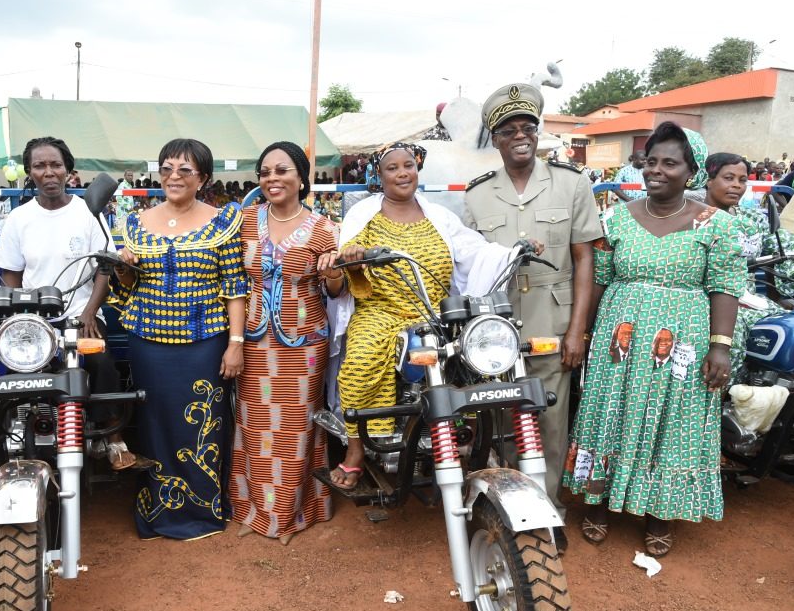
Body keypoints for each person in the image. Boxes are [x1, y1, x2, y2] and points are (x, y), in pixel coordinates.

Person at [563, 122, 746, 558]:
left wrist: (720, 346)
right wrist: (585, 332)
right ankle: (598, 499)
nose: (656, 170)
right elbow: (600, 281)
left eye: (670, 163)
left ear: (692, 171)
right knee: (610, 411)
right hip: (619, 341)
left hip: (682, 343)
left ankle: (659, 513)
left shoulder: (715, 225)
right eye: (650, 162)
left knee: (672, 420)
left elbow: (726, 285)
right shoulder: (617, 218)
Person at [325, 142, 526, 492]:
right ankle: (357, 450)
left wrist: (514, 252)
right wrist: (352, 256)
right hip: (380, 311)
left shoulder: (439, 216)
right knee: (359, 366)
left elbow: (474, 251)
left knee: (474, 365)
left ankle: (469, 447)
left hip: (432, 313)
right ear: (380, 175)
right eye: (392, 168)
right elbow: (342, 268)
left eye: (409, 166)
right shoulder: (364, 216)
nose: (402, 173)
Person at [463, 83, 603, 551]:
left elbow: (586, 259)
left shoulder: (571, 182)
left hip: (553, 317)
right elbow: (470, 262)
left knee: (549, 418)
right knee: (501, 417)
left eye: (528, 127)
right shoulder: (479, 195)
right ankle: (507, 509)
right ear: (495, 139)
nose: (520, 136)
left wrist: (578, 330)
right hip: (498, 322)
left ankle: (548, 513)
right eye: (508, 130)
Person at [111, 138, 248, 540]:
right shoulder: (135, 222)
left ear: (202, 177)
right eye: (167, 168)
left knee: (204, 425)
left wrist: (235, 343)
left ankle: (202, 512)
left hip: (204, 340)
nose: (174, 176)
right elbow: (126, 288)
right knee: (154, 423)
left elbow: (234, 286)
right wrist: (123, 268)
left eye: (185, 170)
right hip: (147, 340)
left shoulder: (224, 221)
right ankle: (159, 509)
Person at [0, 137, 148, 470]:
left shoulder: (88, 211)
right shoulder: (19, 218)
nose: (49, 172)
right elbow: (11, 276)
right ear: (29, 171)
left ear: (68, 170)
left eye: (55, 165)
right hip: (34, 321)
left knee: (103, 363)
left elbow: (104, 267)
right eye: (40, 165)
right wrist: (19, 318)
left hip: (80, 315)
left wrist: (91, 311)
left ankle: (111, 437)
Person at [230, 141, 341, 546]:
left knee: (296, 430)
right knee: (255, 426)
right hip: (255, 341)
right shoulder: (243, 220)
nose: (272, 179)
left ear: (301, 177)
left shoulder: (324, 229)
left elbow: (338, 289)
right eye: (265, 172)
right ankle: (254, 510)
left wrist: (332, 271)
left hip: (305, 343)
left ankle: (290, 514)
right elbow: (231, 279)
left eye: (281, 171)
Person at [704, 152, 794, 381]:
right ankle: (718, 399)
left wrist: (776, 297)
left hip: (750, 300)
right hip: (708, 300)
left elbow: (777, 248)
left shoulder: (752, 217)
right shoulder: (694, 217)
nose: (736, 185)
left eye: (742, 180)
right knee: (731, 335)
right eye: (728, 178)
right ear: (708, 180)